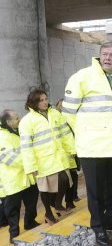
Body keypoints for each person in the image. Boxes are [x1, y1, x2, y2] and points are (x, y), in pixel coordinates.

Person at [62, 42, 112, 246]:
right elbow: (68, 115)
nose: (107, 58)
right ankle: (98, 226)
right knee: (96, 191)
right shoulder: (82, 77)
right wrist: (84, 135)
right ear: (99, 56)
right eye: (104, 54)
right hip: (92, 147)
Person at [19, 89, 75, 225]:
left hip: (59, 156)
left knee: (64, 179)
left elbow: (65, 133)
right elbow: (26, 146)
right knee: (45, 189)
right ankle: (49, 214)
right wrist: (31, 165)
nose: (45, 102)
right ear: (33, 103)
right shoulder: (27, 121)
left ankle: (57, 204)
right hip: (42, 160)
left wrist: (71, 149)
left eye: (45, 99)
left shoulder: (55, 113)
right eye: (41, 100)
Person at [0, 109, 39, 243]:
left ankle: (30, 222)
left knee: (32, 201)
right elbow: (8, 157)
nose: (19, 119)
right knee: (12, 210)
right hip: (13, 179)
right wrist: (29, 164)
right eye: (16, 118)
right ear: (8, 122)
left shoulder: (18, 131)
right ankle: (14, 235)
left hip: (26, 176)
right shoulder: (2, 136)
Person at [55, 99, 81, 209]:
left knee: (73, 177)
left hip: (72, 153)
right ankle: (58, 204)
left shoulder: (70, 119)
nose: (62, 108)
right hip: (62, 156)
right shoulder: (56, 120)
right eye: (60, 106)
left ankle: (70, 200)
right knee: (64, 180)